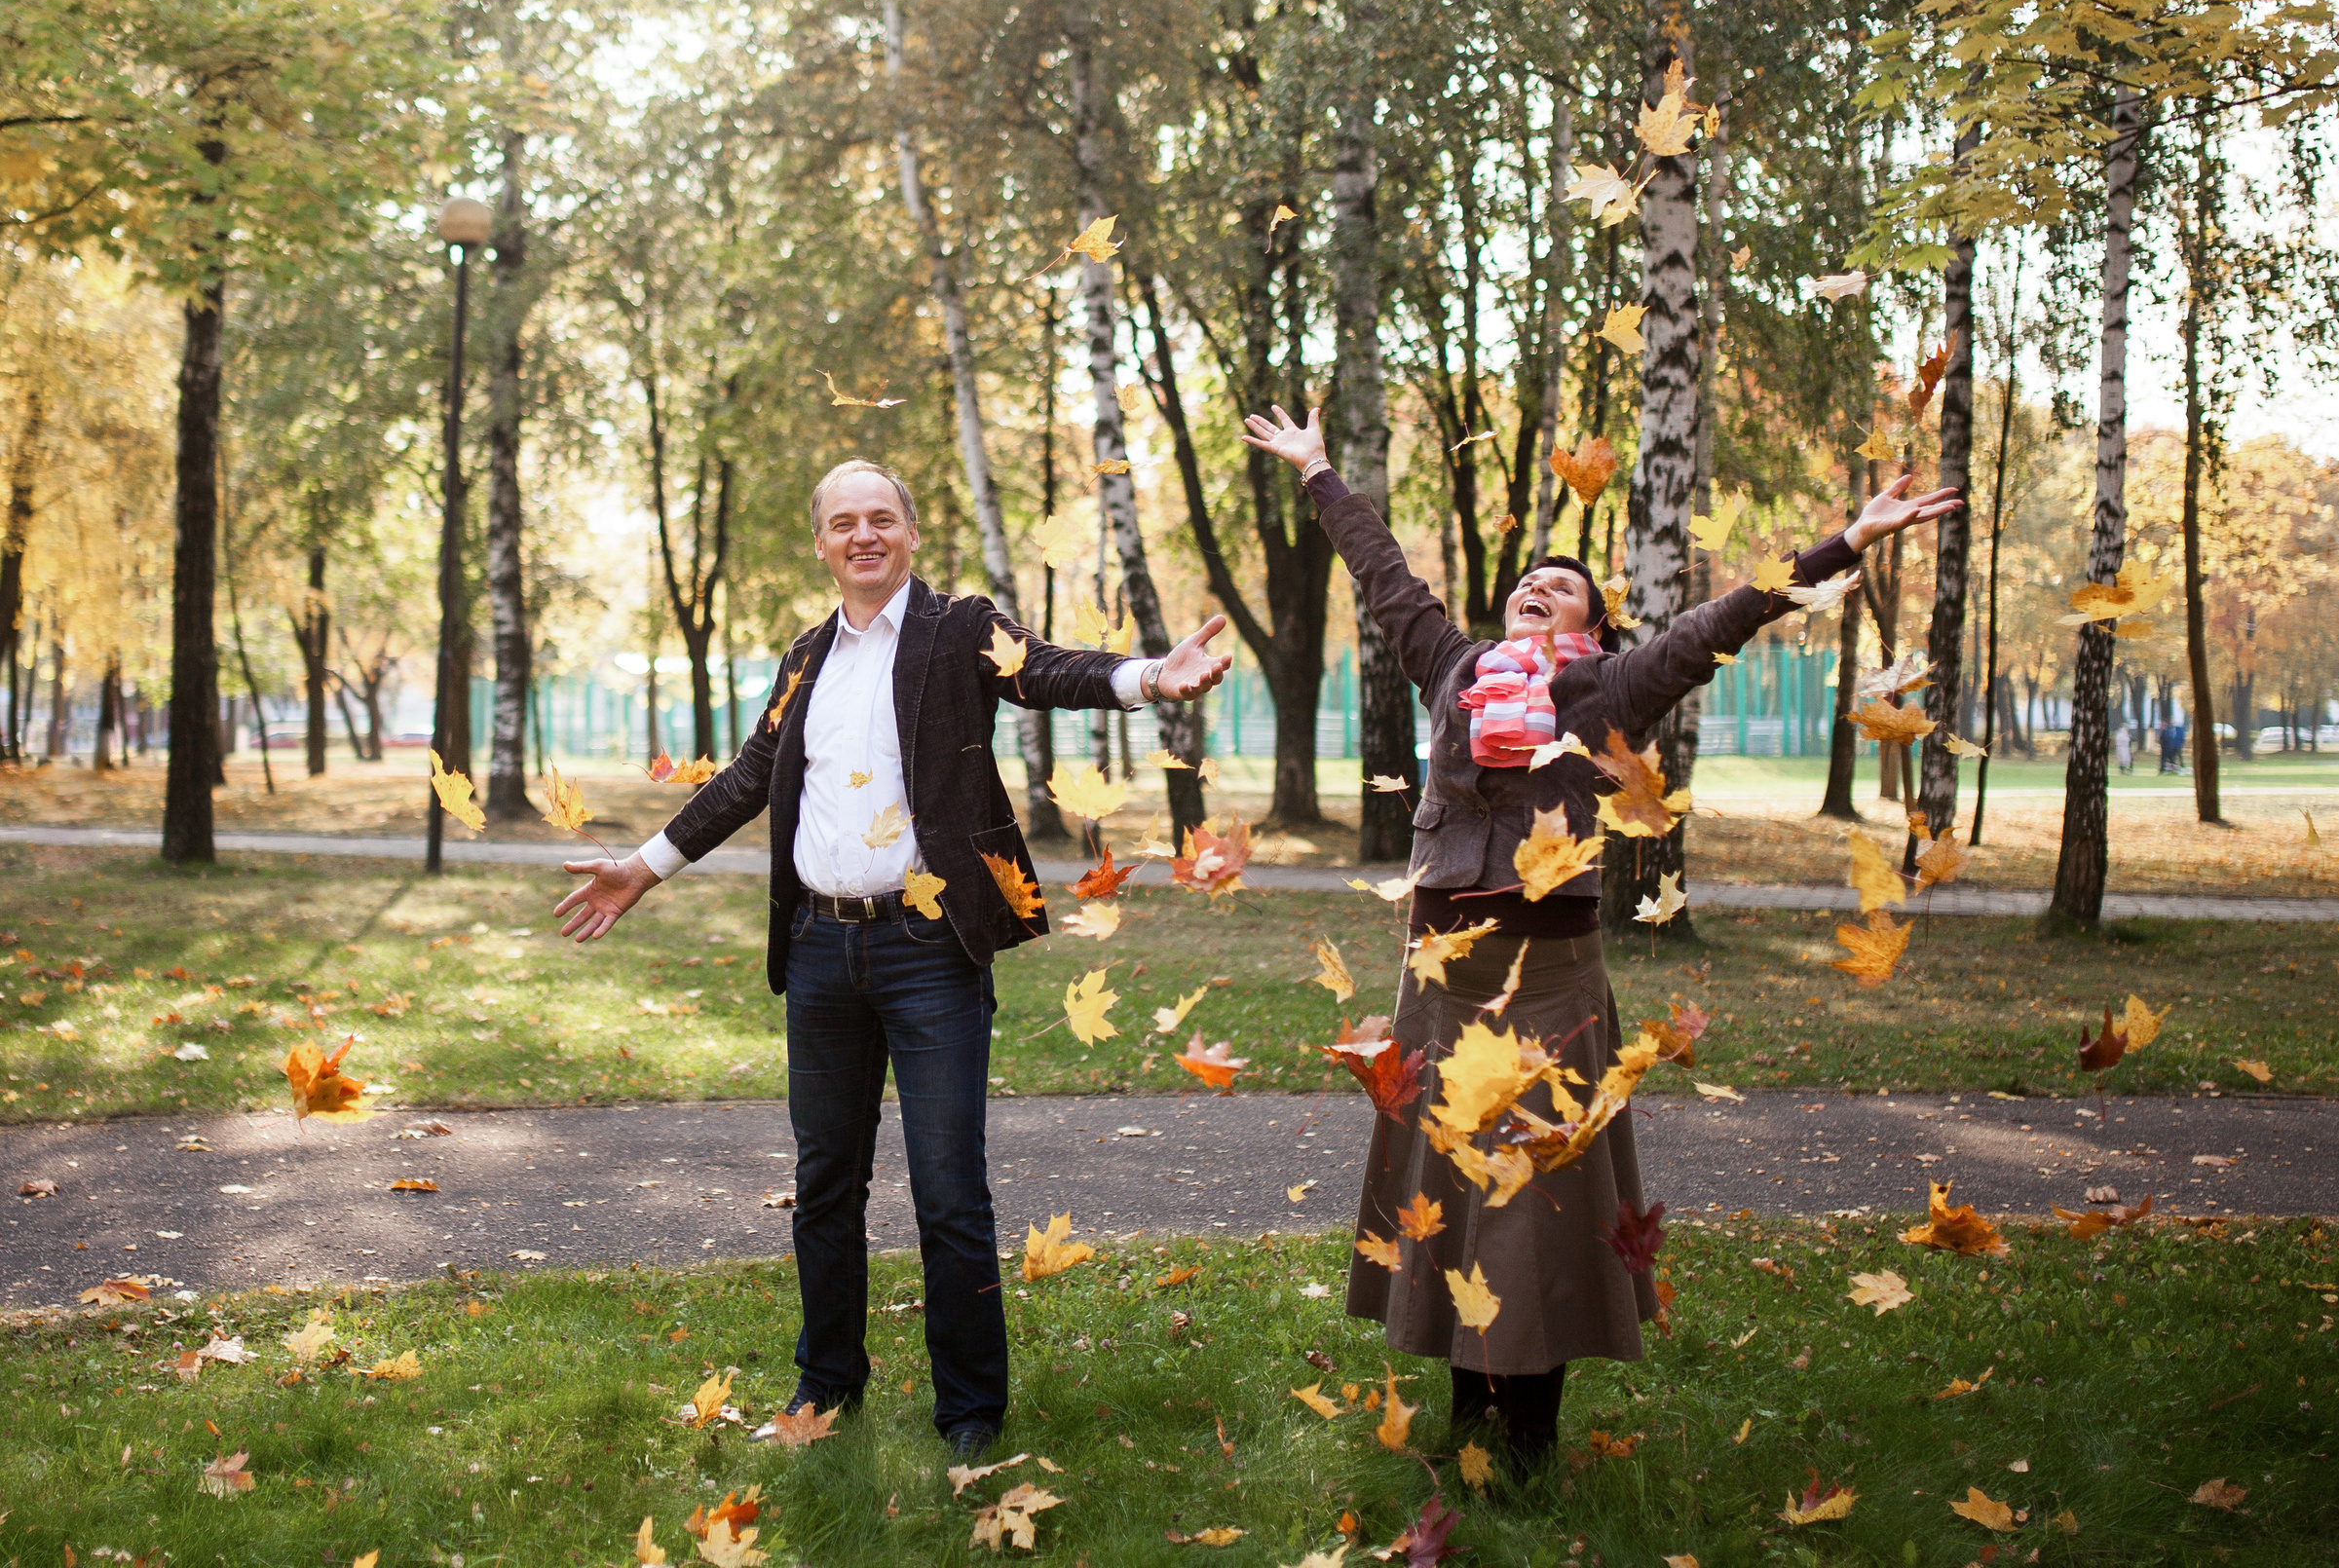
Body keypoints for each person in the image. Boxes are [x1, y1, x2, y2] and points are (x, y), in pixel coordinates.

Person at [1239, 405, 1961, 1471]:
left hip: (1548, 978)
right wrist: (1317, 472)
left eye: (1562, 584)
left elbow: (1726, 617)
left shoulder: (1610, 686)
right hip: (1443, 977)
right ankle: (1466, 1417)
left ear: (1595, 624)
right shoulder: (1452, 668)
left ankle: (1531, 1434)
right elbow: (1385, 576)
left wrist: (1845, 541)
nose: (1537, 584)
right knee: (1453, 1193)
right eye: (1528, 578)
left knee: (1538, 1199)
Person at [550, 460, 1231, 1460]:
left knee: (950, 1189)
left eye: (880, 518)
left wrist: (1147, 676)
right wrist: (642, 868)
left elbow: (1045, 669)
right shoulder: (805, 656)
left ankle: (970, 1412)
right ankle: (826, 1383)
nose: (862, 535)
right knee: (825, 1180)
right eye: (843, 523)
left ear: (910, 533)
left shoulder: (958, 628)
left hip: (930, 949)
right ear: (822, 544)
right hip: (820, 949)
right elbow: (750, 774)